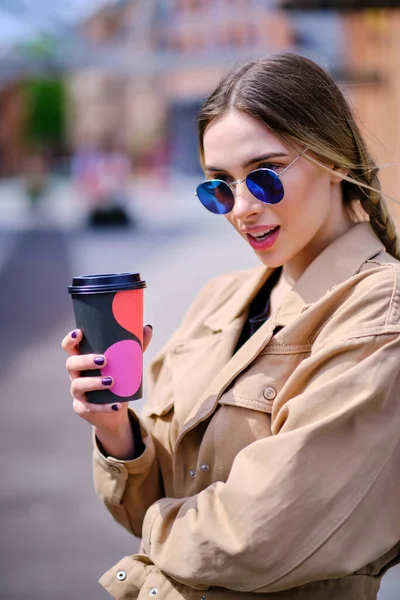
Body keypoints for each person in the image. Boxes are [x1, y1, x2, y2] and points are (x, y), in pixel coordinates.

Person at [62, 53, 400, 600]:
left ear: (336, 162)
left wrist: (147, 554)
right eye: (218, 186)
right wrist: (117, 430)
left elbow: (257, 537)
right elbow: (164, 491)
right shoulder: (220, 297)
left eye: (263, 177)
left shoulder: (381, 312)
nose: (241, 208)